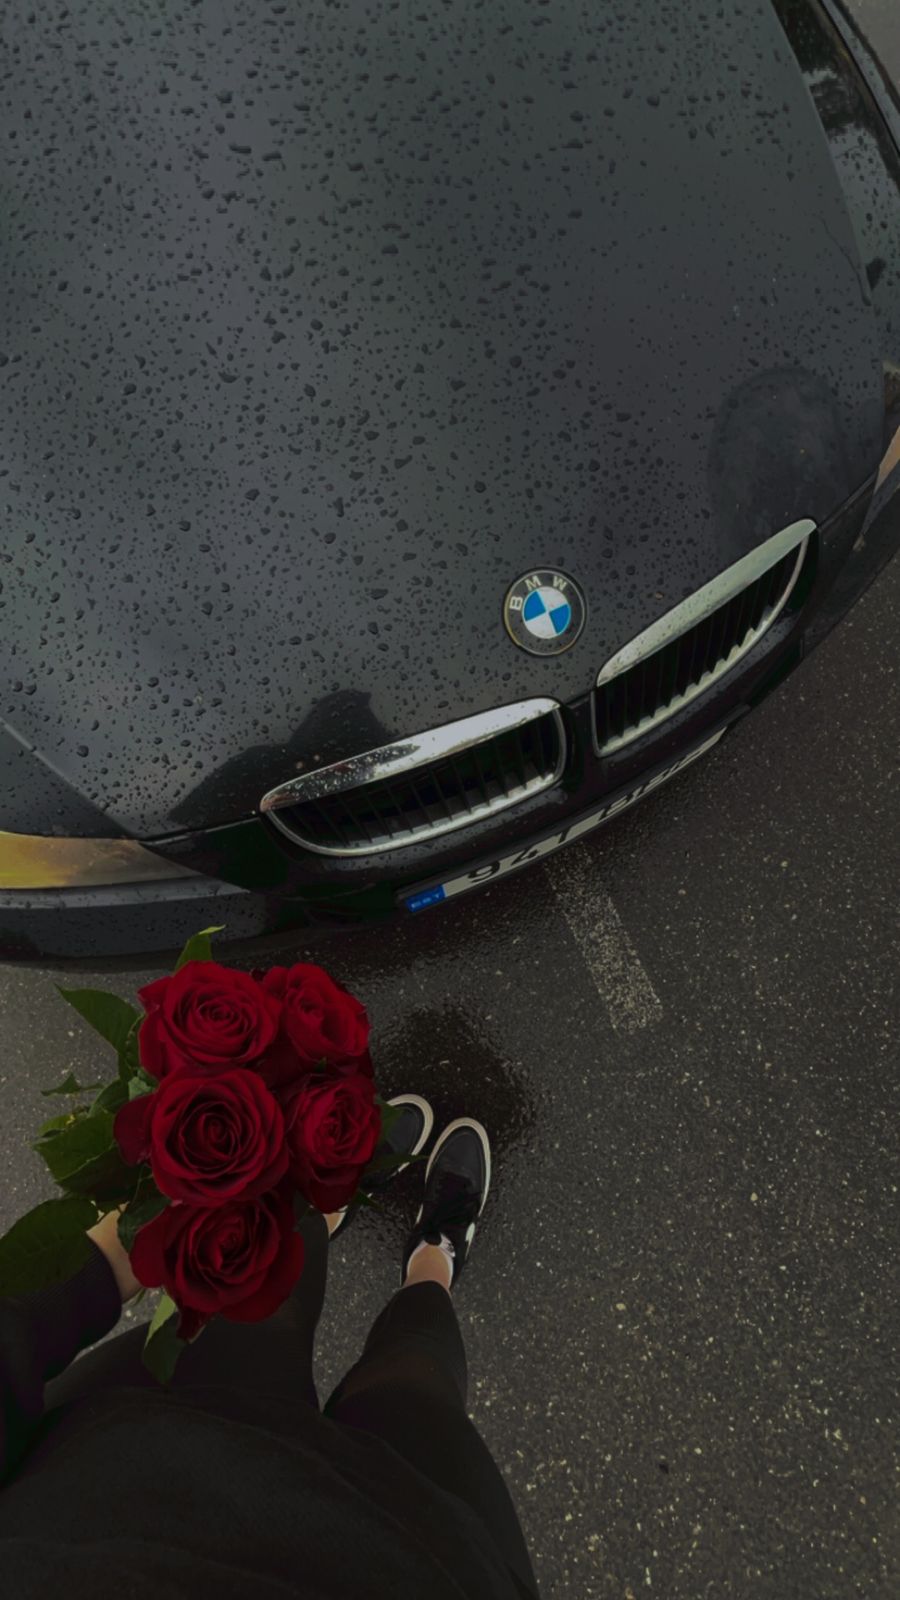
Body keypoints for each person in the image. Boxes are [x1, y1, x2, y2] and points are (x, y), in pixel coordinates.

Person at [0, 1098, 539, 1598]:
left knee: (260, 1283)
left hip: (128, 1458)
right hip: (417, 1555)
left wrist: (114, 1255)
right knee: (417, 1382)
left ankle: (328, 1203)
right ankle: (434, 1254)